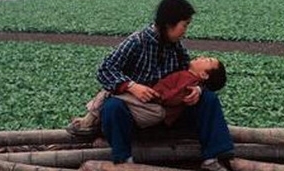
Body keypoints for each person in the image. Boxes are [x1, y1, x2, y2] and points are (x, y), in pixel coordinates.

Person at [73, 0, 235, 171]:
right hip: (138, 114)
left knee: (208, 99)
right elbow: (104, 70)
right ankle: (124, 162)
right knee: (112, 107)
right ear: (169, 23)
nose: (185, 30)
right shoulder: (137, 42)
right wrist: (132, 86)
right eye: (185, 25)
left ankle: (212, 157)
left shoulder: (176, 46)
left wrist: (198, 89)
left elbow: (191, 74)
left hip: (169, 113)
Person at [70, 56, 227, 133]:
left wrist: (158, 95)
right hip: (152, 101)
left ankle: (89, 122)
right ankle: (90, 121)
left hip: (155, 103)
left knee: (112, 92)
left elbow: (173, 96)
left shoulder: (189, 79)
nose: (201, 57)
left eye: (207, 59)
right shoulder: (185, 68)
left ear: (205, 75)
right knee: (113, 94)